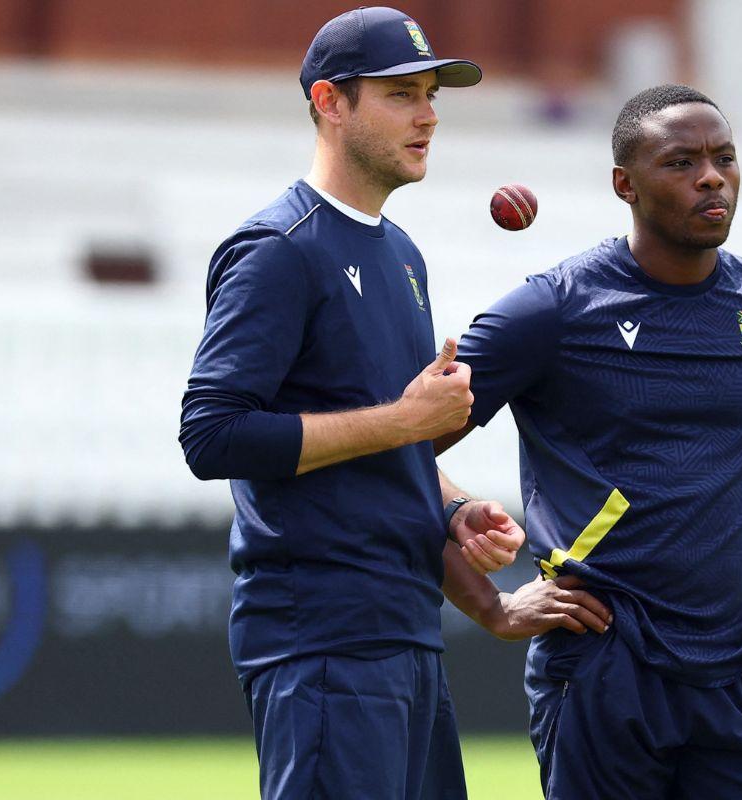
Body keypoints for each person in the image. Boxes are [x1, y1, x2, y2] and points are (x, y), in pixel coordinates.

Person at [440, 84, 742, 798]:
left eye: (724, 158)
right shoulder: (551, 310)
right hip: (602, 670)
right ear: (626, 185)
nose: (712, 176)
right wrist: (489, 606)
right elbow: (395, 448)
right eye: (681, 162)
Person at [178, 8, 544, 798]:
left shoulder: (401, 253)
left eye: (432, 95)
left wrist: (448, 506)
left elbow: (374, 431)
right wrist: (410, 423)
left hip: (403, 630)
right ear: (330, 102)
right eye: (402, 94)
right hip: (322, 639)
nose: (429, 114)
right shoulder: (279, 249)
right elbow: (211, 433)